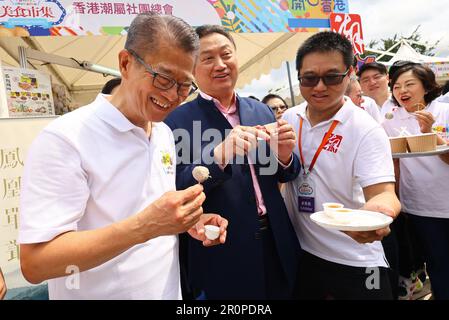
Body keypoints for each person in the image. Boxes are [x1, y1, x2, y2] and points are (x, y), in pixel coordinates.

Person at [18, 13, 227, 300]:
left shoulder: (163, 134)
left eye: (185, 86)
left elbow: (148, 213)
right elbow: (36, 263)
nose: (173, 96)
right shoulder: (65, 138)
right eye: (164, 78)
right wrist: (145, 226)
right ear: (126, 63)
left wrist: (191, 222)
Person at [164, 25, 302, 299]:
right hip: (222, 248)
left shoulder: (260, 109)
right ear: (192, 68)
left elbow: (281, 175)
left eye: (226, 54)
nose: (220, 65)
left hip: (277, 240)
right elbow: (174, 185)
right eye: (207, 58)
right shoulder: (176, 121)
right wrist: (218, 157)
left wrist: (284, 155)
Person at [282, 31, 401, 300]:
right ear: (299, 76)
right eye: (310, 78)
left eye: (332, 77)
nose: (320, 87)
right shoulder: (290, 117)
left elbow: (383, 192)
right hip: (304, 253)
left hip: (357, 258)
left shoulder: (365, 129)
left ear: (349, 75)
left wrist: (376, 215)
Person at [382, 62, 449, 300]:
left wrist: (431, 132)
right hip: (420, 207)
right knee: (438, 266)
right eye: (397, 86)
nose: (402, 91)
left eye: (409, 84)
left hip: (446, 200)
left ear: (426, 86)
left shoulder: (444, 111)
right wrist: (395, 198)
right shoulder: (390, 118)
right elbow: (394, 163)